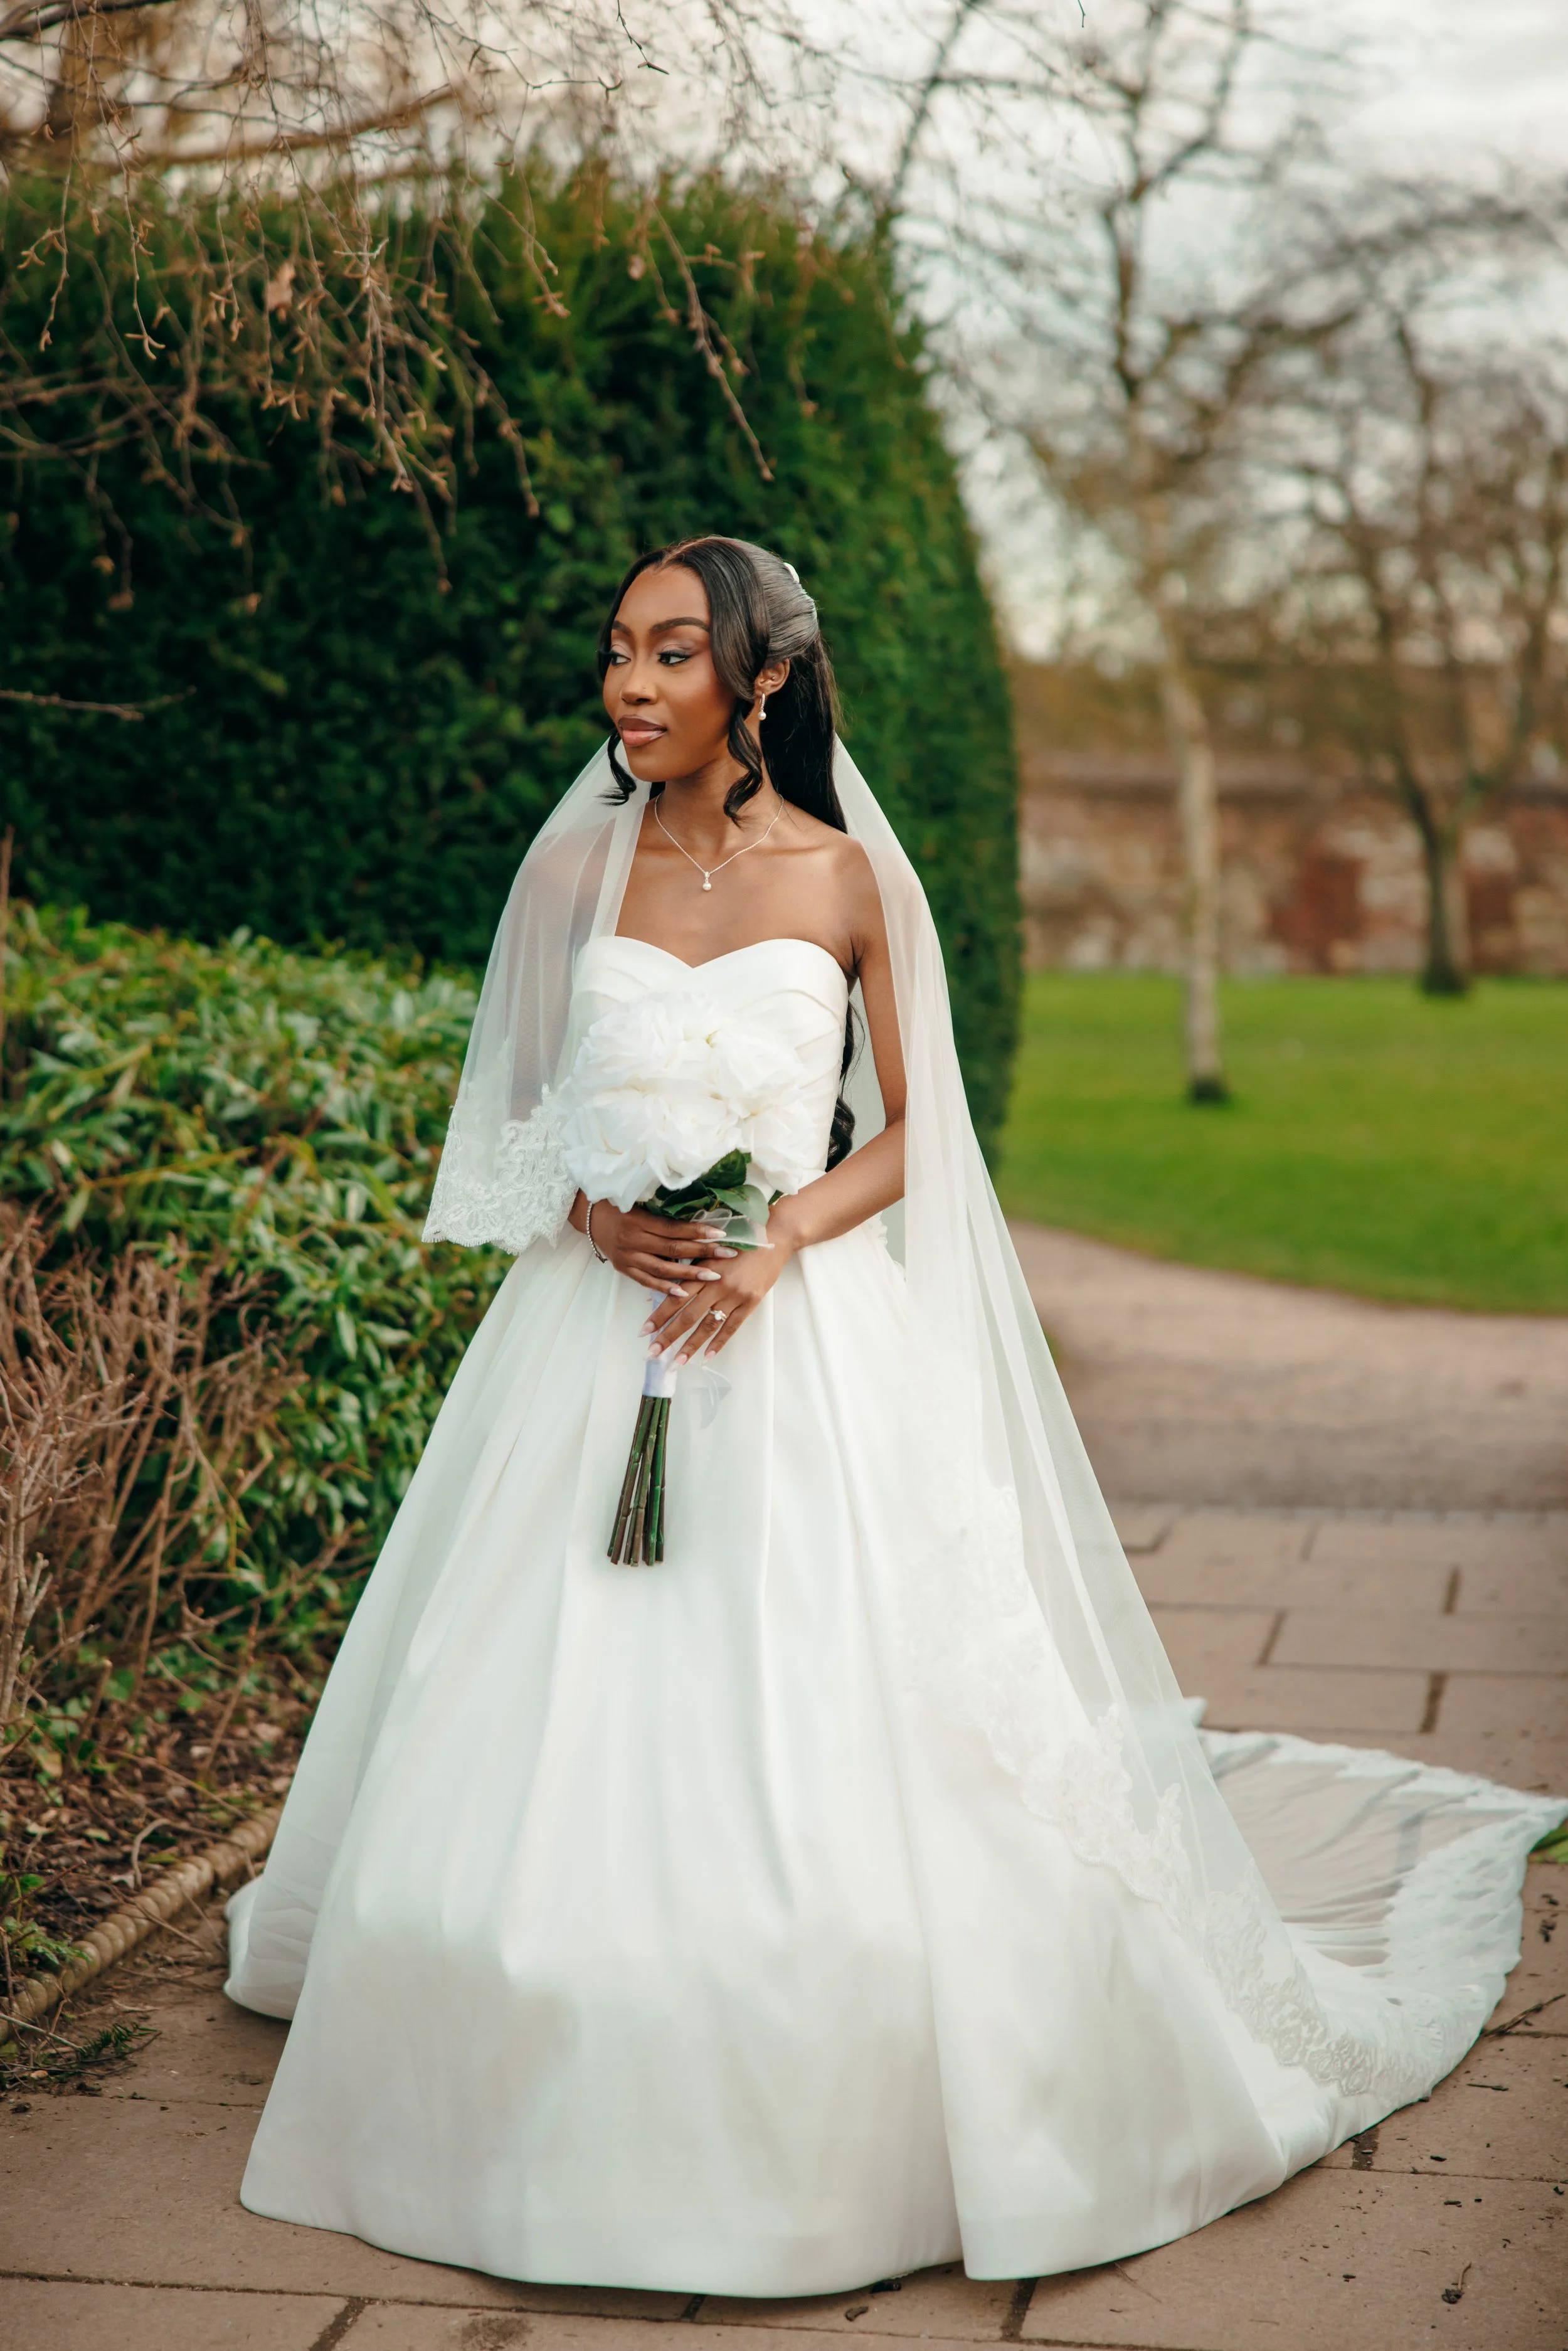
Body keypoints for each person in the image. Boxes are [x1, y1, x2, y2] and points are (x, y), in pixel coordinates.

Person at [226, 535, 1563, 2296]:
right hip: (589, 1347)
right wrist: (596, 1217)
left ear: (757, 683)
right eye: (617, 651)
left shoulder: (848, 878)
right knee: (528, 1693)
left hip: (794, 1346)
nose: (630, 684)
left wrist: (780, 1233)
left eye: (670, 653)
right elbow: (519, 1120)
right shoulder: (571, 869)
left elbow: (920, 1136)